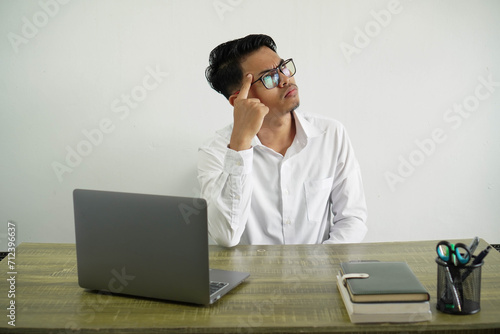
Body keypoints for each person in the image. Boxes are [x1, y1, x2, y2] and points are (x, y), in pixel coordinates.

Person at [198, 34, 367, 247]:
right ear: (240, 100)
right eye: (270, 77)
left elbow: (352, 218)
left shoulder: (330, 134)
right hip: (251, 277)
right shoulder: (214, 152)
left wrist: (320, 265)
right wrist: (240, 145)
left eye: (283, 68)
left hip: (320, 272)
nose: (286, 79)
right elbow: (226, 236)